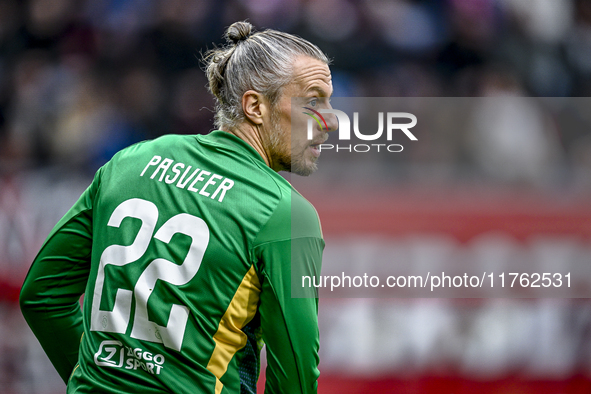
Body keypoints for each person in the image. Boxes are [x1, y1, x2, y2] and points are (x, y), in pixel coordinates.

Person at [19, 21, 337, 394]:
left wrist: (94, 381)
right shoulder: (285, 212)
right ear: (255, 106)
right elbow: (295, 379)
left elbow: (42, 296)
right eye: (313, 101)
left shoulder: (128, 162)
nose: (329, 120)